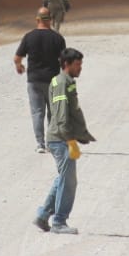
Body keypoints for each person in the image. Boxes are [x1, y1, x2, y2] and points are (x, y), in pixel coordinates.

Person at [34, 47, 96, 235]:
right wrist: (70, 140)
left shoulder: (66, 82)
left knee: (63, 178)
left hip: (60, 138)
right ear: (67, 64)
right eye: (78, 64)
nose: (80, 68)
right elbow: (61, 114)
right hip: (60, 139)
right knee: (69, 182)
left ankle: (43, 215)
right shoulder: (61, 83)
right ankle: (59, 222)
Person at [13, 6, 67, 153]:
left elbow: (17, 58)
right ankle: (51, 143)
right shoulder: (58, 38)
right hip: (52, 81)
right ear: (50, 20)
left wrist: (19, 66)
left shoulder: (29, 37)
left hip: (34, 81)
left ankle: (40, 144)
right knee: (53, 113)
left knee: (37, 112)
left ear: (37, 19)